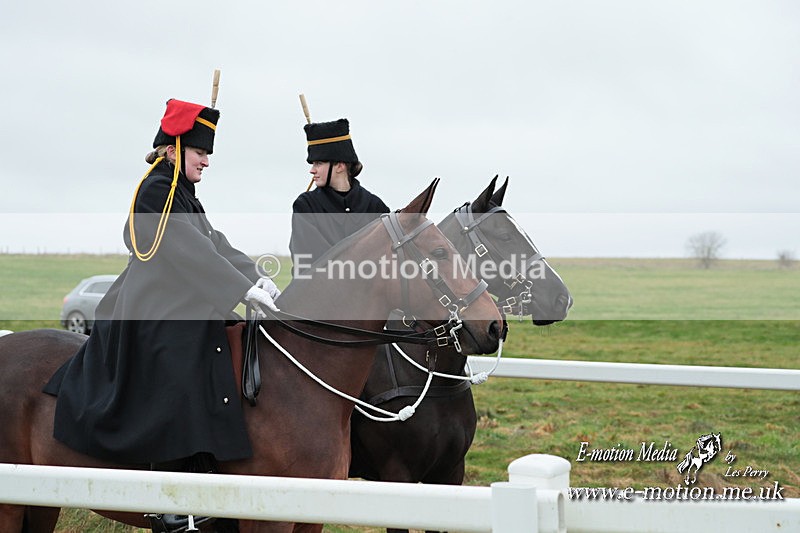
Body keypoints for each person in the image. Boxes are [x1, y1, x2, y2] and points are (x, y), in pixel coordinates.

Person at [43, 98, 280, 532]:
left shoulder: (184, 194)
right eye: (200, 152)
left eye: (207, 153)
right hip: (150, 313)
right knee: (181, 364)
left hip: (183, 306)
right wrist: (237, 288)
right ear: (173, 150)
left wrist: (254, 277)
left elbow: (214, 244)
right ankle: (174, 504)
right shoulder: (155, 190)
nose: (207, 161)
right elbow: (183, 250)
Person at [289, 118, 390, 275]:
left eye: (319, 163)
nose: (312, 170)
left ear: (340, 166)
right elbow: (309, 262)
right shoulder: (306, 206)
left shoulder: (375, 206)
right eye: (313, 164)